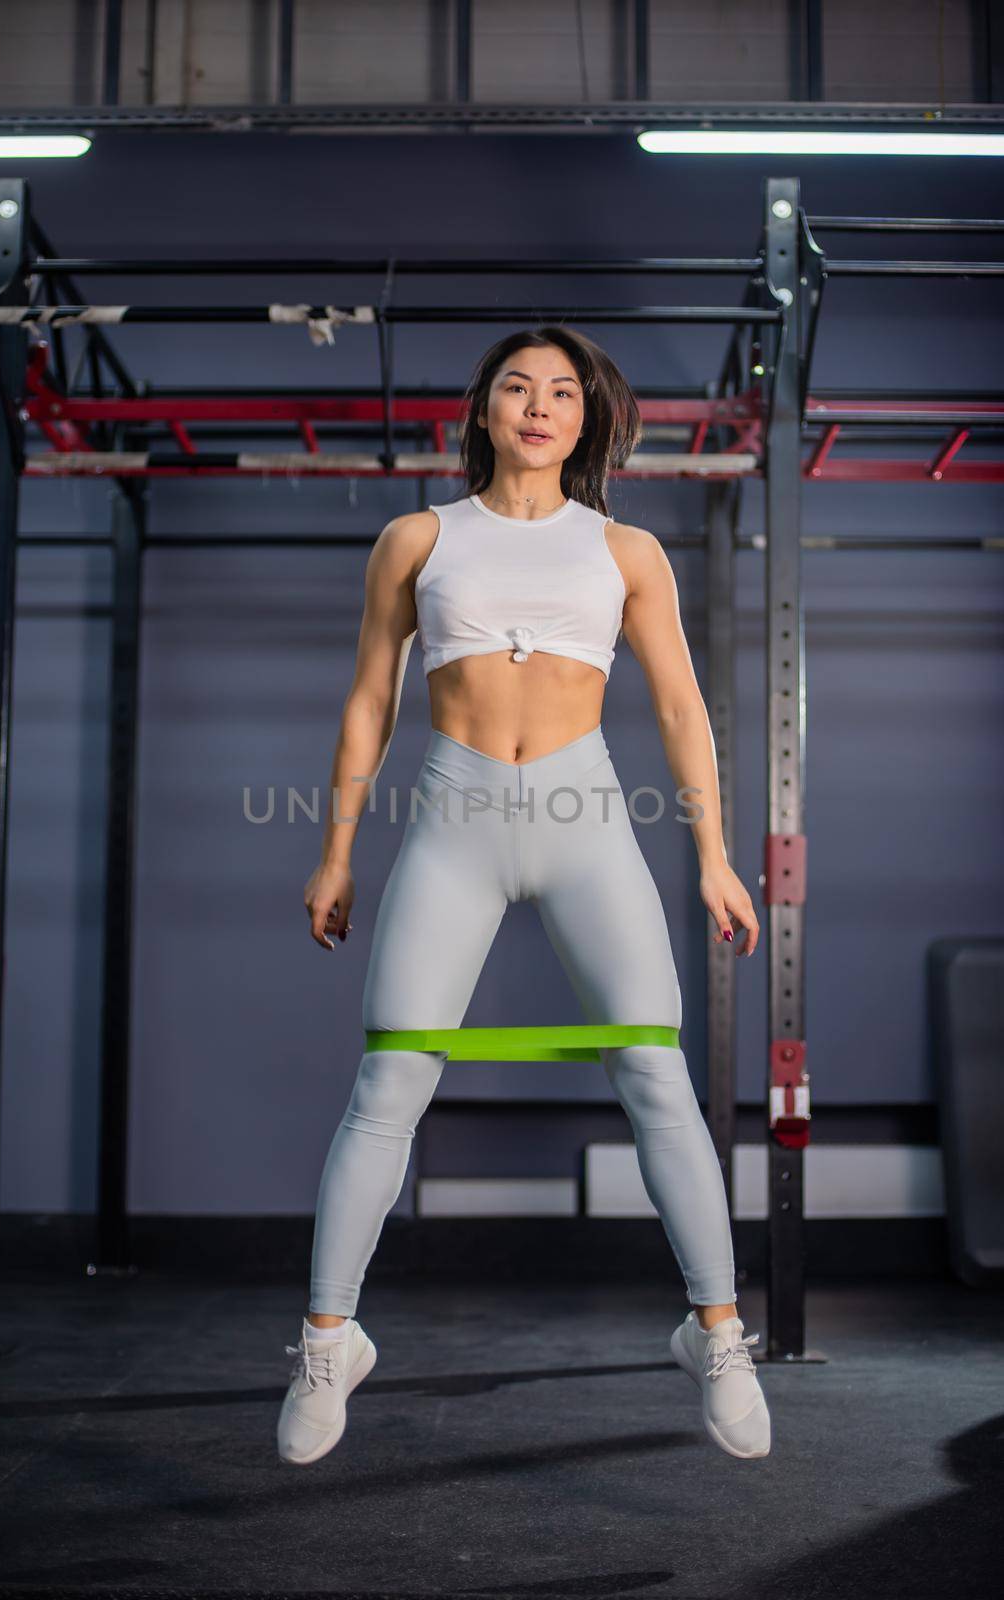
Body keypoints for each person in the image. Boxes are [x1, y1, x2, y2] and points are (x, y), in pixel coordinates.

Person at [277, 325, 771, 1467]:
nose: (539, 406)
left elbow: (684, 709)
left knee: (654, 1068)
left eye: (561, 391)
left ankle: (718, 1332)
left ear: (587, 417)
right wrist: (336, 851)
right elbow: (369, 703)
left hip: (584, 818)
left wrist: (711, 856)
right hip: (453, 819)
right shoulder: (417, 537)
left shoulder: (628, 549)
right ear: (486, 409)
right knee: (390, 1076)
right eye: (517, 386)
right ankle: (326, 1339)